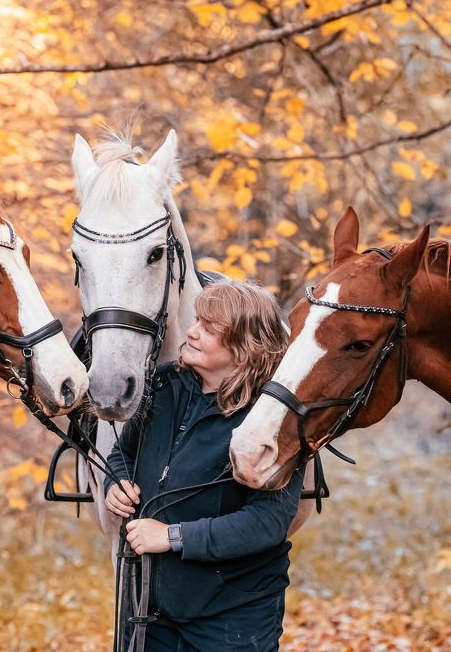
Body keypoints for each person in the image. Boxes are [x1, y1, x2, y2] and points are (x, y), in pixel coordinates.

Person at [103, 279, 304, 652]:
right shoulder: (163, 384)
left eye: (209, 328)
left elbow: (266, 523)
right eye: (196, 320)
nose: (192, 332)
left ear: (246, 344)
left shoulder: (273, 418)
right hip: (148, 607)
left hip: (231, 617)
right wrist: (116, 483)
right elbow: (124, 453)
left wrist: (172, 536)